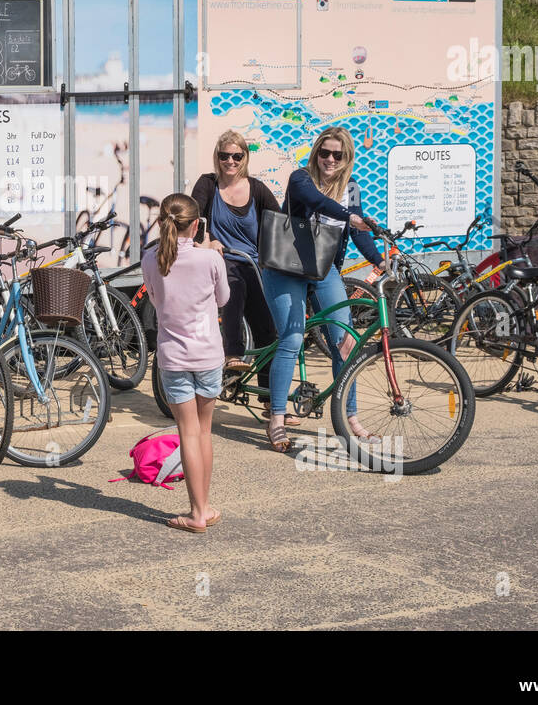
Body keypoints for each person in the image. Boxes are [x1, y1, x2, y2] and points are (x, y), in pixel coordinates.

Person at [261, 127, 387, 452]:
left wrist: (380, 260)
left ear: (347, 158)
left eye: (337, 155)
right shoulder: (301, 178)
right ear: (316, 152)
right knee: (291, 338)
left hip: (323, 267)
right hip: (287, 266)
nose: (330, 160)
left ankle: (350, 419)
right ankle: (276, 419)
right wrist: (349, 217)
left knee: (345, 342)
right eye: (324, 152)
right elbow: (317, 202)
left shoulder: (352, 188)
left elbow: (358, 232)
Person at [141, 193, 229, 534]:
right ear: (196, 225)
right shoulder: (210, 260)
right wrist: (209, 250)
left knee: (187, 433)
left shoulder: (151, 259)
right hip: (208, 354)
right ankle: (202, 508)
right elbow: (223, 299)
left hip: (174, 358)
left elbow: (153, 297)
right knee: (204, 432)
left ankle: (196, 513)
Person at [189, 131, 281, 394]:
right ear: (217, 157)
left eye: (236, 156)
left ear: (245, 157)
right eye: (224, 156)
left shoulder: (258, 189)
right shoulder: (208, 184)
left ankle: (267, 398)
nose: (230, 161)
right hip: (219, 260)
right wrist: (209, 239)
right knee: (233, 285)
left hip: (253, 263)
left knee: (267, 329)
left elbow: (279, 224)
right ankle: (233, 354)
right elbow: (193, 218)